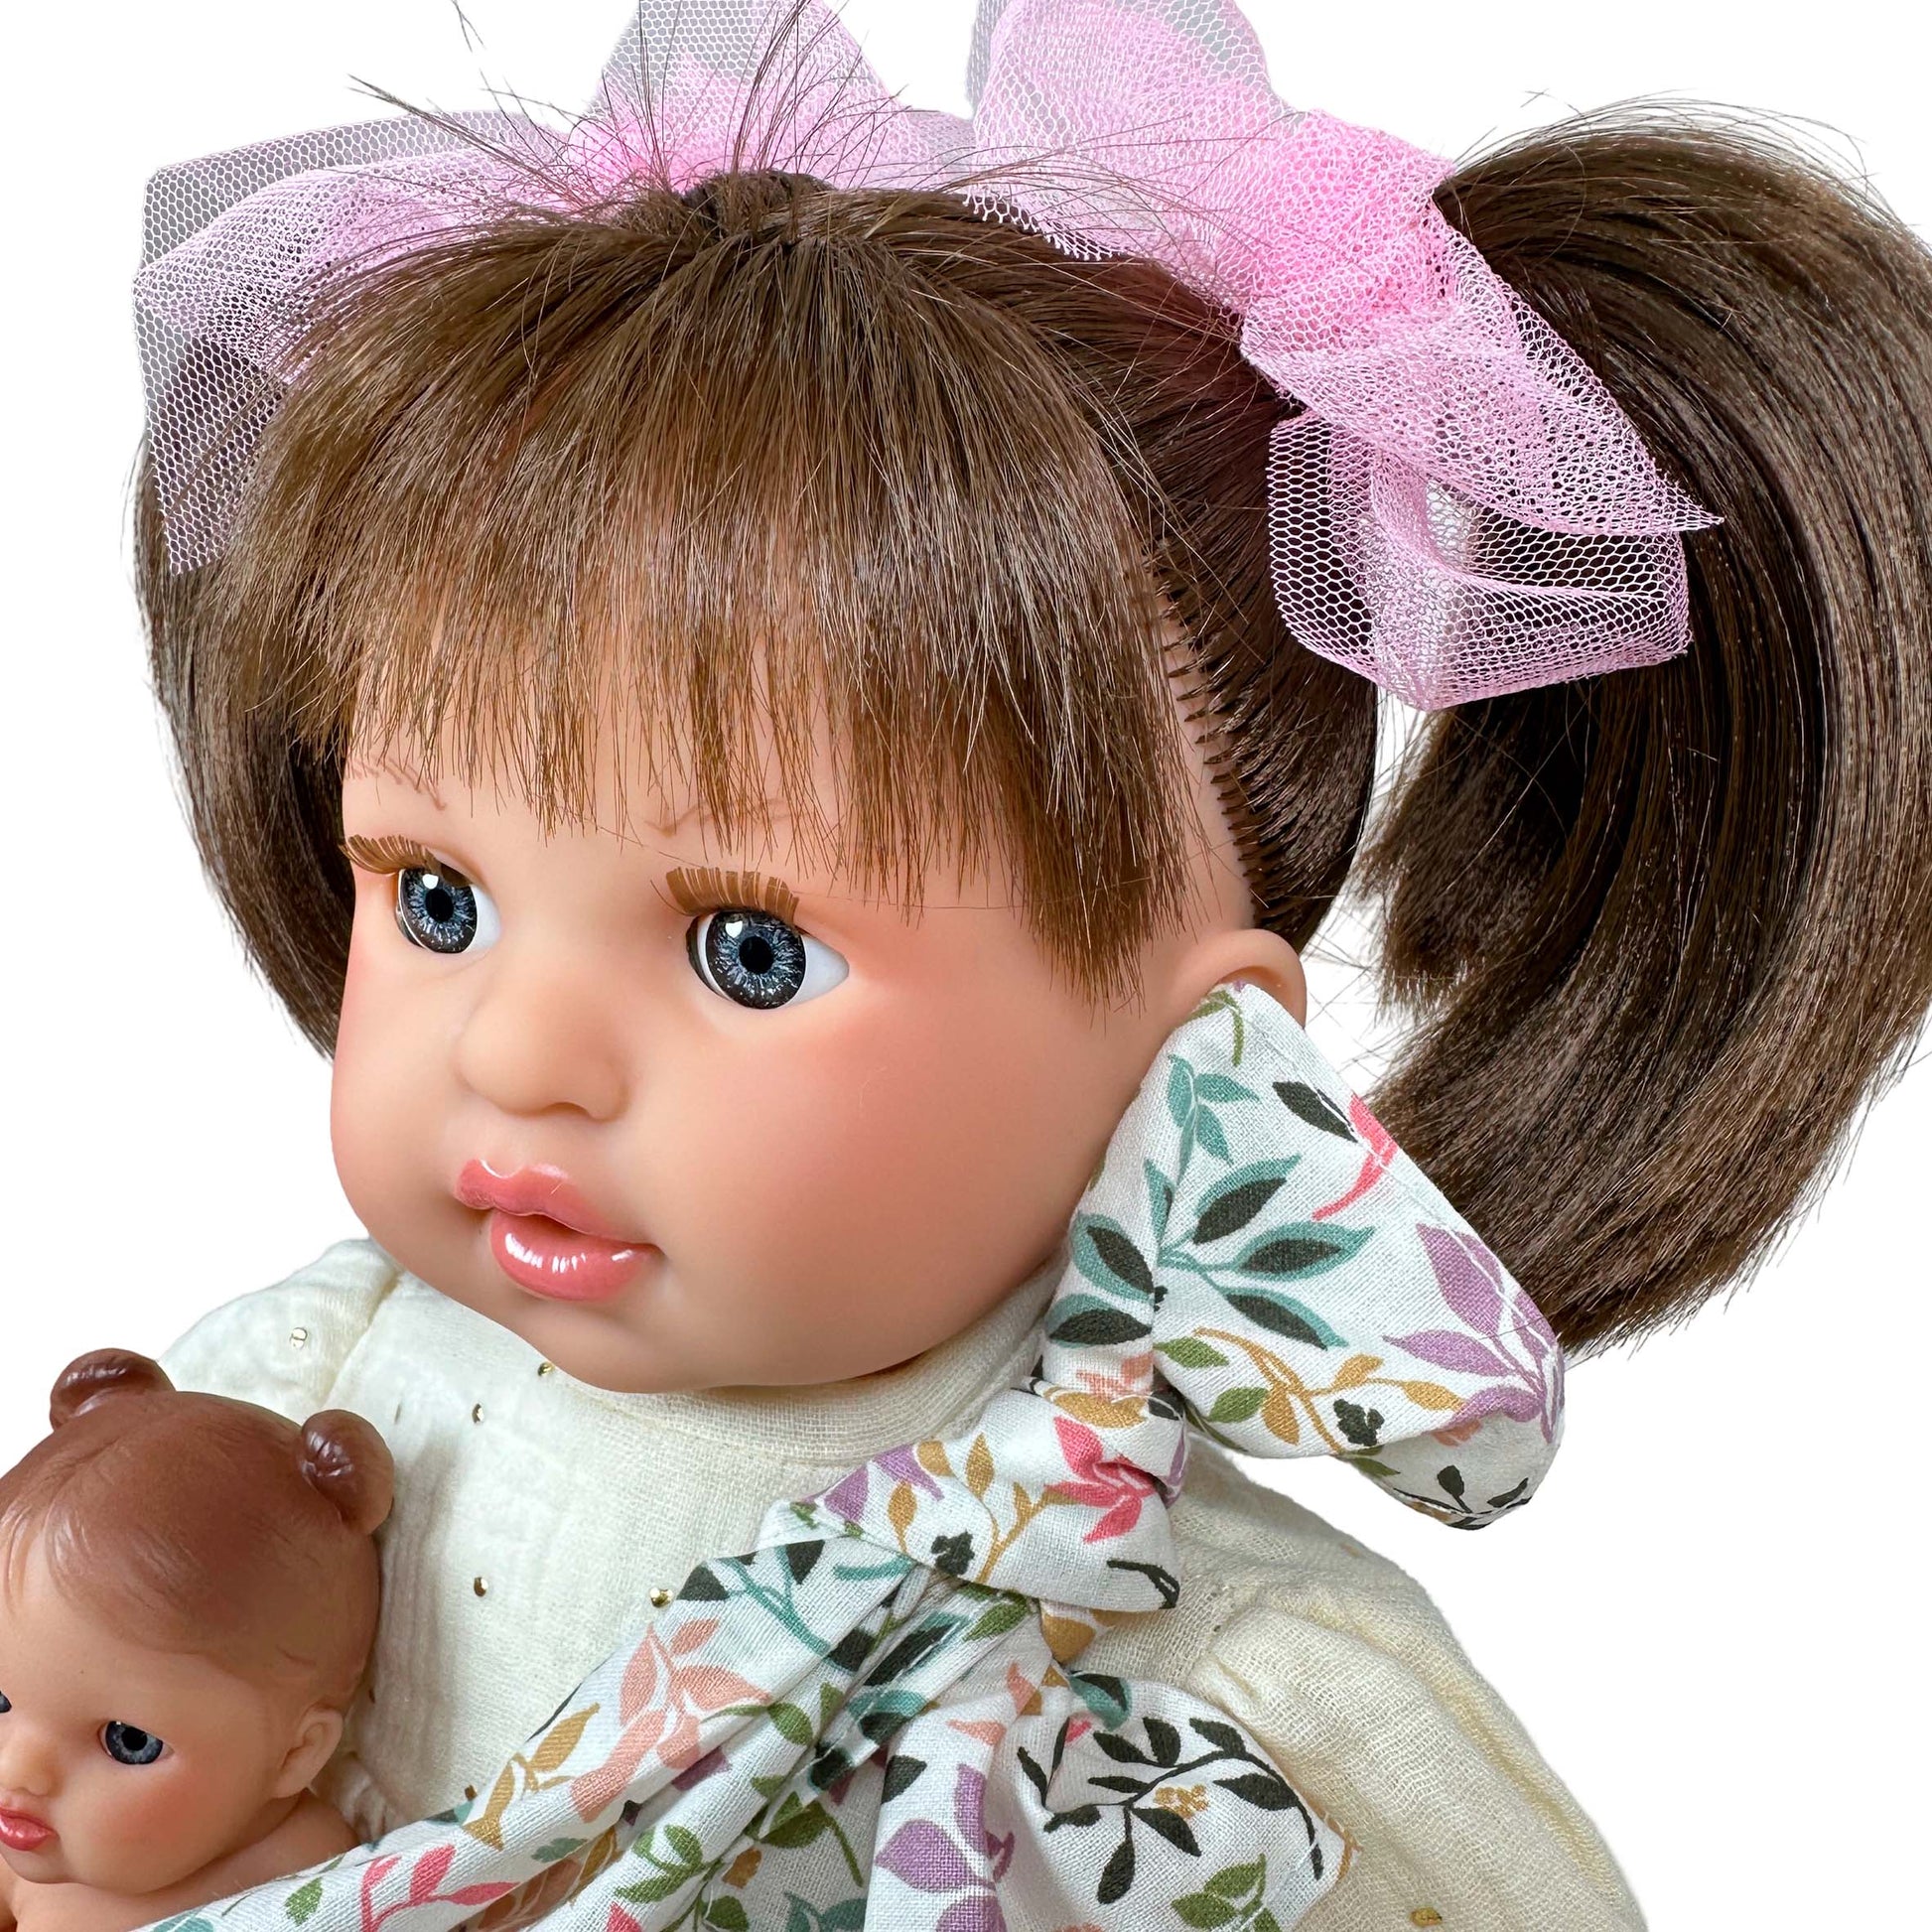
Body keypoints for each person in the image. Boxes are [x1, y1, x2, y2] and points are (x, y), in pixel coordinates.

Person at [134, 0, 1932, 1924]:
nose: (517, 1052)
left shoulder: (1171, 1671)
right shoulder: (306, 1415)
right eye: (436, 899)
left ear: (1201, 1071)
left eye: (750, 950)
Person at [0, 1354, 391, 1932]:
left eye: (128, 1741)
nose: (15, 1769)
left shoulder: (305, 1886)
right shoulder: (21, 1827)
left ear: (295, 1754)